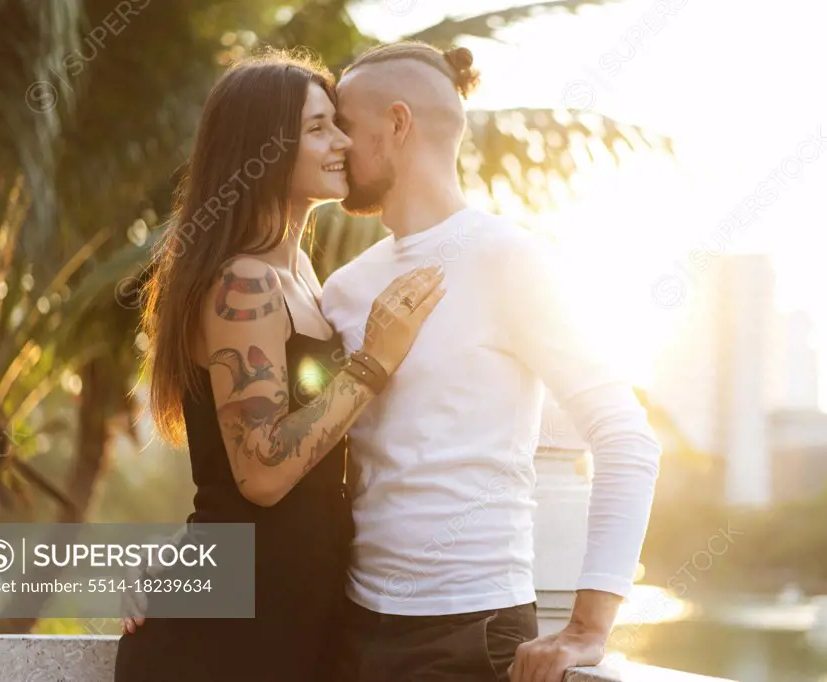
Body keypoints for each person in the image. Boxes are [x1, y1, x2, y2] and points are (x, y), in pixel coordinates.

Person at [323, 42, 662, 682]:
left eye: (345, 124)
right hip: (348, 625)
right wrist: (187, 572)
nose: (335, 145)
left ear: (397, 125)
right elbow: (285, 458)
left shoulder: (510, 259)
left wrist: (589, 627)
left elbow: (627, 438)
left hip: (472, 632)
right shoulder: (342, 288)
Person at [113, 51, 444, 682]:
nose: (342, 141)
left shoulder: (301, 281)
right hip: (223, 640)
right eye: (319, 127)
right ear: (263, 148)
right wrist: (374, 359)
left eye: (337, 125)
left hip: (283, 617)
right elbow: (260, 473)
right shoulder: (244, 283)